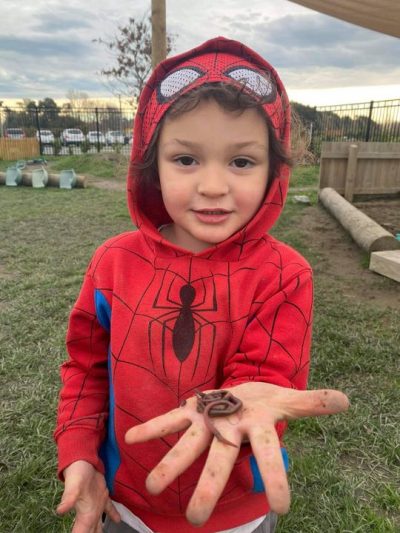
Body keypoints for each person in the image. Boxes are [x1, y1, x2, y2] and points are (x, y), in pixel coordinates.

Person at [55, 36, 349, 533]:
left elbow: (265, 377)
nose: (213, 186)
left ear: (275, 171)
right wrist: (80, 451)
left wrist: (238, 403)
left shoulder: (285, 274)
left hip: (234, 512)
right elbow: (86, 369)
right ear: (150, 164)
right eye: (186, 159)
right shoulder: (112, 264)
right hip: (126, 504)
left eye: (242, 161)